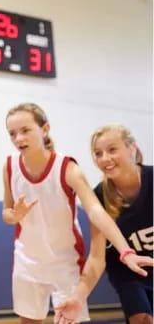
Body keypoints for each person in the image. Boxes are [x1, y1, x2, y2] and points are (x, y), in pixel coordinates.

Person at [2, 103, 153, 324]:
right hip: (28, 261)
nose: (18, 138)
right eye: (12, 133)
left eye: (25, 130)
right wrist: (13, 216)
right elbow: (7, 211)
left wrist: (125, 251)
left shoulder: (66, 167)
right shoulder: (9, 166)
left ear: (45, 129)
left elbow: (95, 211)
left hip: (65, 261)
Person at [55, 124, 153, 324]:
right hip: (127, 270)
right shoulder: (99, 196)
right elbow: (97, 257)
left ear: (132, 148)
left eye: (112, 150)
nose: (105, 159)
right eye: (98, 153)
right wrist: (78, 296)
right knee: (142, 318)